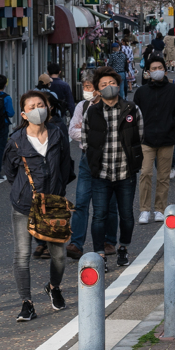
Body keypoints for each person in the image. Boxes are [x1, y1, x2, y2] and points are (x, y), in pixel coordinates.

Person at [3, 90, 74, 321]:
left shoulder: (57, 134)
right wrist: (26, 192)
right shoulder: (15, 141)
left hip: (53, 204)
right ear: (24, 114)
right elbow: (11, 174)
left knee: (59, 255)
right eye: (31, 107)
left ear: (48, 108)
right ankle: (27, 303)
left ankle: (54, 286)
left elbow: (66, 167)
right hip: (24, 206)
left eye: (40, 105)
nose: (37, 109)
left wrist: (57, 192)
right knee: (22, 255)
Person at [83, 67, 144, 268]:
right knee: (99, 215)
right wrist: (93, 158)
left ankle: (123, 247)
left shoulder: (131, 109)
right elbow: (85, 139)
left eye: (112, 83)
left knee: (126, 214)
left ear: (118, 85)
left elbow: (140, 135)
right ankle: (100, 254)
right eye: (103, 85)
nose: (109, 87)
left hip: (126, 172)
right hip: (101, 172)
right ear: (98, 91)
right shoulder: (92, 111)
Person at [67, 71, 118, 262]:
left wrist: (87, 130)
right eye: (85, 87)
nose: (87, 91)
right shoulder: (83, 105)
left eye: (90, 87)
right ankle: (76, 243)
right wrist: (94, 133)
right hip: (87, 157)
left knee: (108, 202)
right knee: (81, 201)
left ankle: (109, 241)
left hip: (109, 157)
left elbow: (113, 132)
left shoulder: (112, 105)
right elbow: (72, 131)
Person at [133, 57, 175, 224]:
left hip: (167, 139)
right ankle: (144, 210)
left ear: (165, 71)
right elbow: (134, 114)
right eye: (153, 68)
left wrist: (172, 124)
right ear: (148, 72)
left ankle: (159, 209)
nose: (156, 70)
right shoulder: (141, 92)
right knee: (145, 174)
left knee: (163, 176)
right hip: (146, 140)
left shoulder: (174, 90)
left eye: (159, 67)